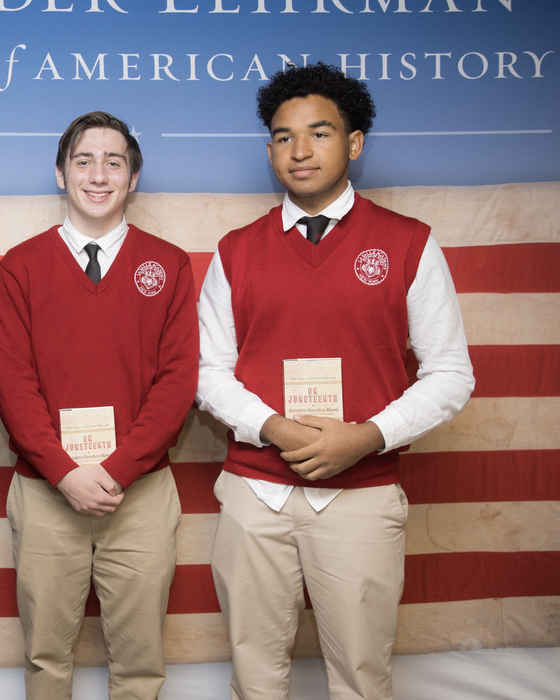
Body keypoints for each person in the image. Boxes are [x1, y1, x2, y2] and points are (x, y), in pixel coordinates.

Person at [197, 63, 475, 699]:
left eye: (319, 133)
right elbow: (208, 371)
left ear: (353, 143)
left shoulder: (408, 243)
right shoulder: (236, 249)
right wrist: (272, 426)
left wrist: (368, 436)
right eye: (283, 135)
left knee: (360, 676)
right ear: (269, 149)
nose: (300, 150)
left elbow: (451, 374)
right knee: (255, 677)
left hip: (362, 495)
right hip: (255, 492)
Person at [0, 111, 198, 700]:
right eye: (84, 161)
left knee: (139, 663)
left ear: (133, 179)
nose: (99, 175)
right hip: (46, 491)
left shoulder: (171, 264)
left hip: (141, 492)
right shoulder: (22, 266)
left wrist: (115, 470)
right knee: (46, 658)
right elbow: (13, 382)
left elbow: (178, 381)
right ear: (60, 174)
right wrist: (64, 473)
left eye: (115, 162)